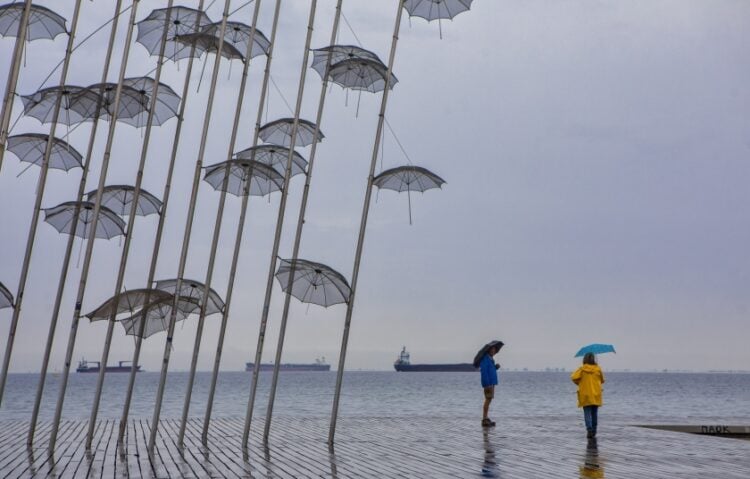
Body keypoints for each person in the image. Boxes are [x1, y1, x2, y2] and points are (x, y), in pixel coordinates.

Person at [571, 352, 605, 438]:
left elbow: (573, 377)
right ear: (593, 359)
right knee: (594, 414)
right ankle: (594, 430)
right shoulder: (598, 369)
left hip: (585, 394)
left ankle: (589, 430)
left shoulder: (582, 369)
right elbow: (602, 380)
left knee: (587, 413)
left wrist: (579, 383)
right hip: (596, 394)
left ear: (584, 359)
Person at [480, 345, 500, 427]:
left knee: (489, 399)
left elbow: (490, 370)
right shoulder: (485, 359)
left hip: (492, 383)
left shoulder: (491, 359)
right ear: (488, 350)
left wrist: (496, 367)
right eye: (492, 350)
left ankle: (486, 418)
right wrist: (487, 384)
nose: (493, 351)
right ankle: (484, 419)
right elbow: (484, 372)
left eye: (494, 350)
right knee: (488, 400)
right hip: (488, 383)